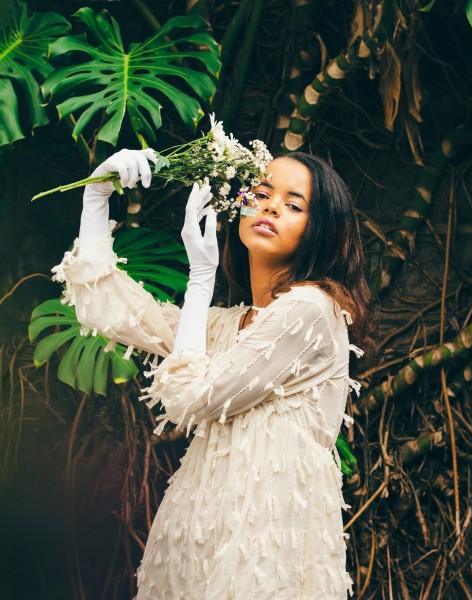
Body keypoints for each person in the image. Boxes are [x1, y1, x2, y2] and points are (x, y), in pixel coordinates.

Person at [53, 148, 373, 599]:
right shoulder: (229, 324)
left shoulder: (311, 310)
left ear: (320, 229)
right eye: (260, 192)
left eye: (294, 204)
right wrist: (96, 196)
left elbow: (190, 396)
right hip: (197, 533)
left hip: (265, 544)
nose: (271, 206)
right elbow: (108, 310)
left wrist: (201, 279)